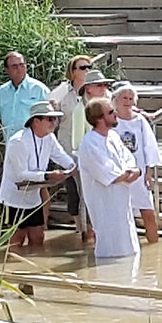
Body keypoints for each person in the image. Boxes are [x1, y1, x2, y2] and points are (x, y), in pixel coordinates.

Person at [0, 101, 76, 250]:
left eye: (55, 119)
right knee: (16, 239)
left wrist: (72, 167)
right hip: (14, 199)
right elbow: (21, 174)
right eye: (49, 119)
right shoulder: (18, 142)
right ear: (36, 121)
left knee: (38, 237)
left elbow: (60, 155)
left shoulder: (49, 137)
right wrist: (47, 176)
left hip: (33, 198)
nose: (54, 122)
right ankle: (12, 264)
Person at [78, 97, 142, 259]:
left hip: (122, 201)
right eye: (111, 112)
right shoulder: (90, 144)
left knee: (130, 249)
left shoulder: (113, 136)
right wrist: (128, 174)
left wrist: (135, 171)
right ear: (99, 118)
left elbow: (128, 159)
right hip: (105, 205)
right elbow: (109, 174)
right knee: (111, 252)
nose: (116, 114)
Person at [48, 54, 93, 230]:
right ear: (72, 71)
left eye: (89, 67)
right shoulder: (62, 92)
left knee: (90, 188)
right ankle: (79, 226)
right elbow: (54, 118)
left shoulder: (95, 90)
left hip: (90, 147)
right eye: (82, 67)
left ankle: (91, 226)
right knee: (73, 188)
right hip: (67, 146)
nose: (87, 70)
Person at [113, 83, 161, 244]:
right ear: (115, 100)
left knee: (148, 213)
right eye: (124, 98)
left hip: (139, 174)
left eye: (130, 98)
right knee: (121, 214)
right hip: (120, 175)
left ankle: (154, 244)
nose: (127, 102)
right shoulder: (111, 121)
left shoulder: (140, 121)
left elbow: (150, 147)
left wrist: (148, 172)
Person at [69, 69, 111, 241]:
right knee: (87, 201)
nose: (103, 88)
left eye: (105, 85)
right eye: (99, 85)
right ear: (88, 89)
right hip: (88, 163)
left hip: (106, 162)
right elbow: (77, 142)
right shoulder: (80, 110)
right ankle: (89, 236)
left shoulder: (108, 105)